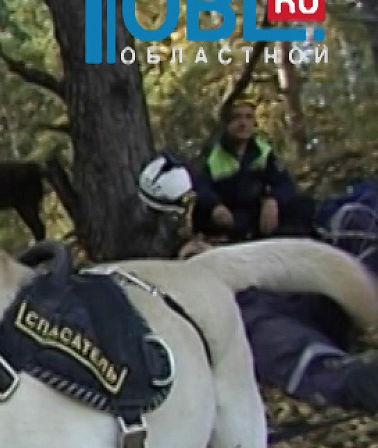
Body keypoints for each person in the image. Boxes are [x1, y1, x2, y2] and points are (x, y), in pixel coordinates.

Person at [137, 150, 378, 414]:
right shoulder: (154, 254)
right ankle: (345, 378)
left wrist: (273, 201)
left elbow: (295, 205)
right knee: (244, 322)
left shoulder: (234, 181)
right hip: (275, 306)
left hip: (319, 261)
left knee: (352, 216)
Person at [190, 94, 307, 242]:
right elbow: (200, 188)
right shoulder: (211, 155)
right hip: (229, 216)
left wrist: (273, 200)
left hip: (259, 215)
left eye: (248, 117)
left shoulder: (264, 151)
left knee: (302, 205)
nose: (243, 123)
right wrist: (215, 206)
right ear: (226, 124)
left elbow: (284, 184)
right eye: (237, 117)